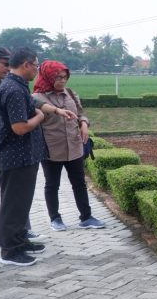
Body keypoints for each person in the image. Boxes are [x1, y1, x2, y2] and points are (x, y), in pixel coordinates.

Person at [0, 48, 75, 266]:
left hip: (24, 156)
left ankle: (20, 241)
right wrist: (39, 117)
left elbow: (35, 104)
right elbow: (19, 127)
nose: (37, 70)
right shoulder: (13, 89)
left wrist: (53, 111)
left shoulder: (17, 87)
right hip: (15, 156)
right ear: (26, 64)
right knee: (13, 204)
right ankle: (10, 251)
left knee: (21, 203)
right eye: (36, 65)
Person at [33, 60, 104, 231]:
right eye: (58, 78)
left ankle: (86, 216)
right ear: (48, 77)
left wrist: (84, 124)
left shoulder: (70, 93)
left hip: (74, 147)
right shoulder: (37, 97)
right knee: (52, 184)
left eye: (65, 77)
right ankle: (55, 218)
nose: (62, 81)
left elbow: (81, 114)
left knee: (79, 182)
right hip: (51, 148)